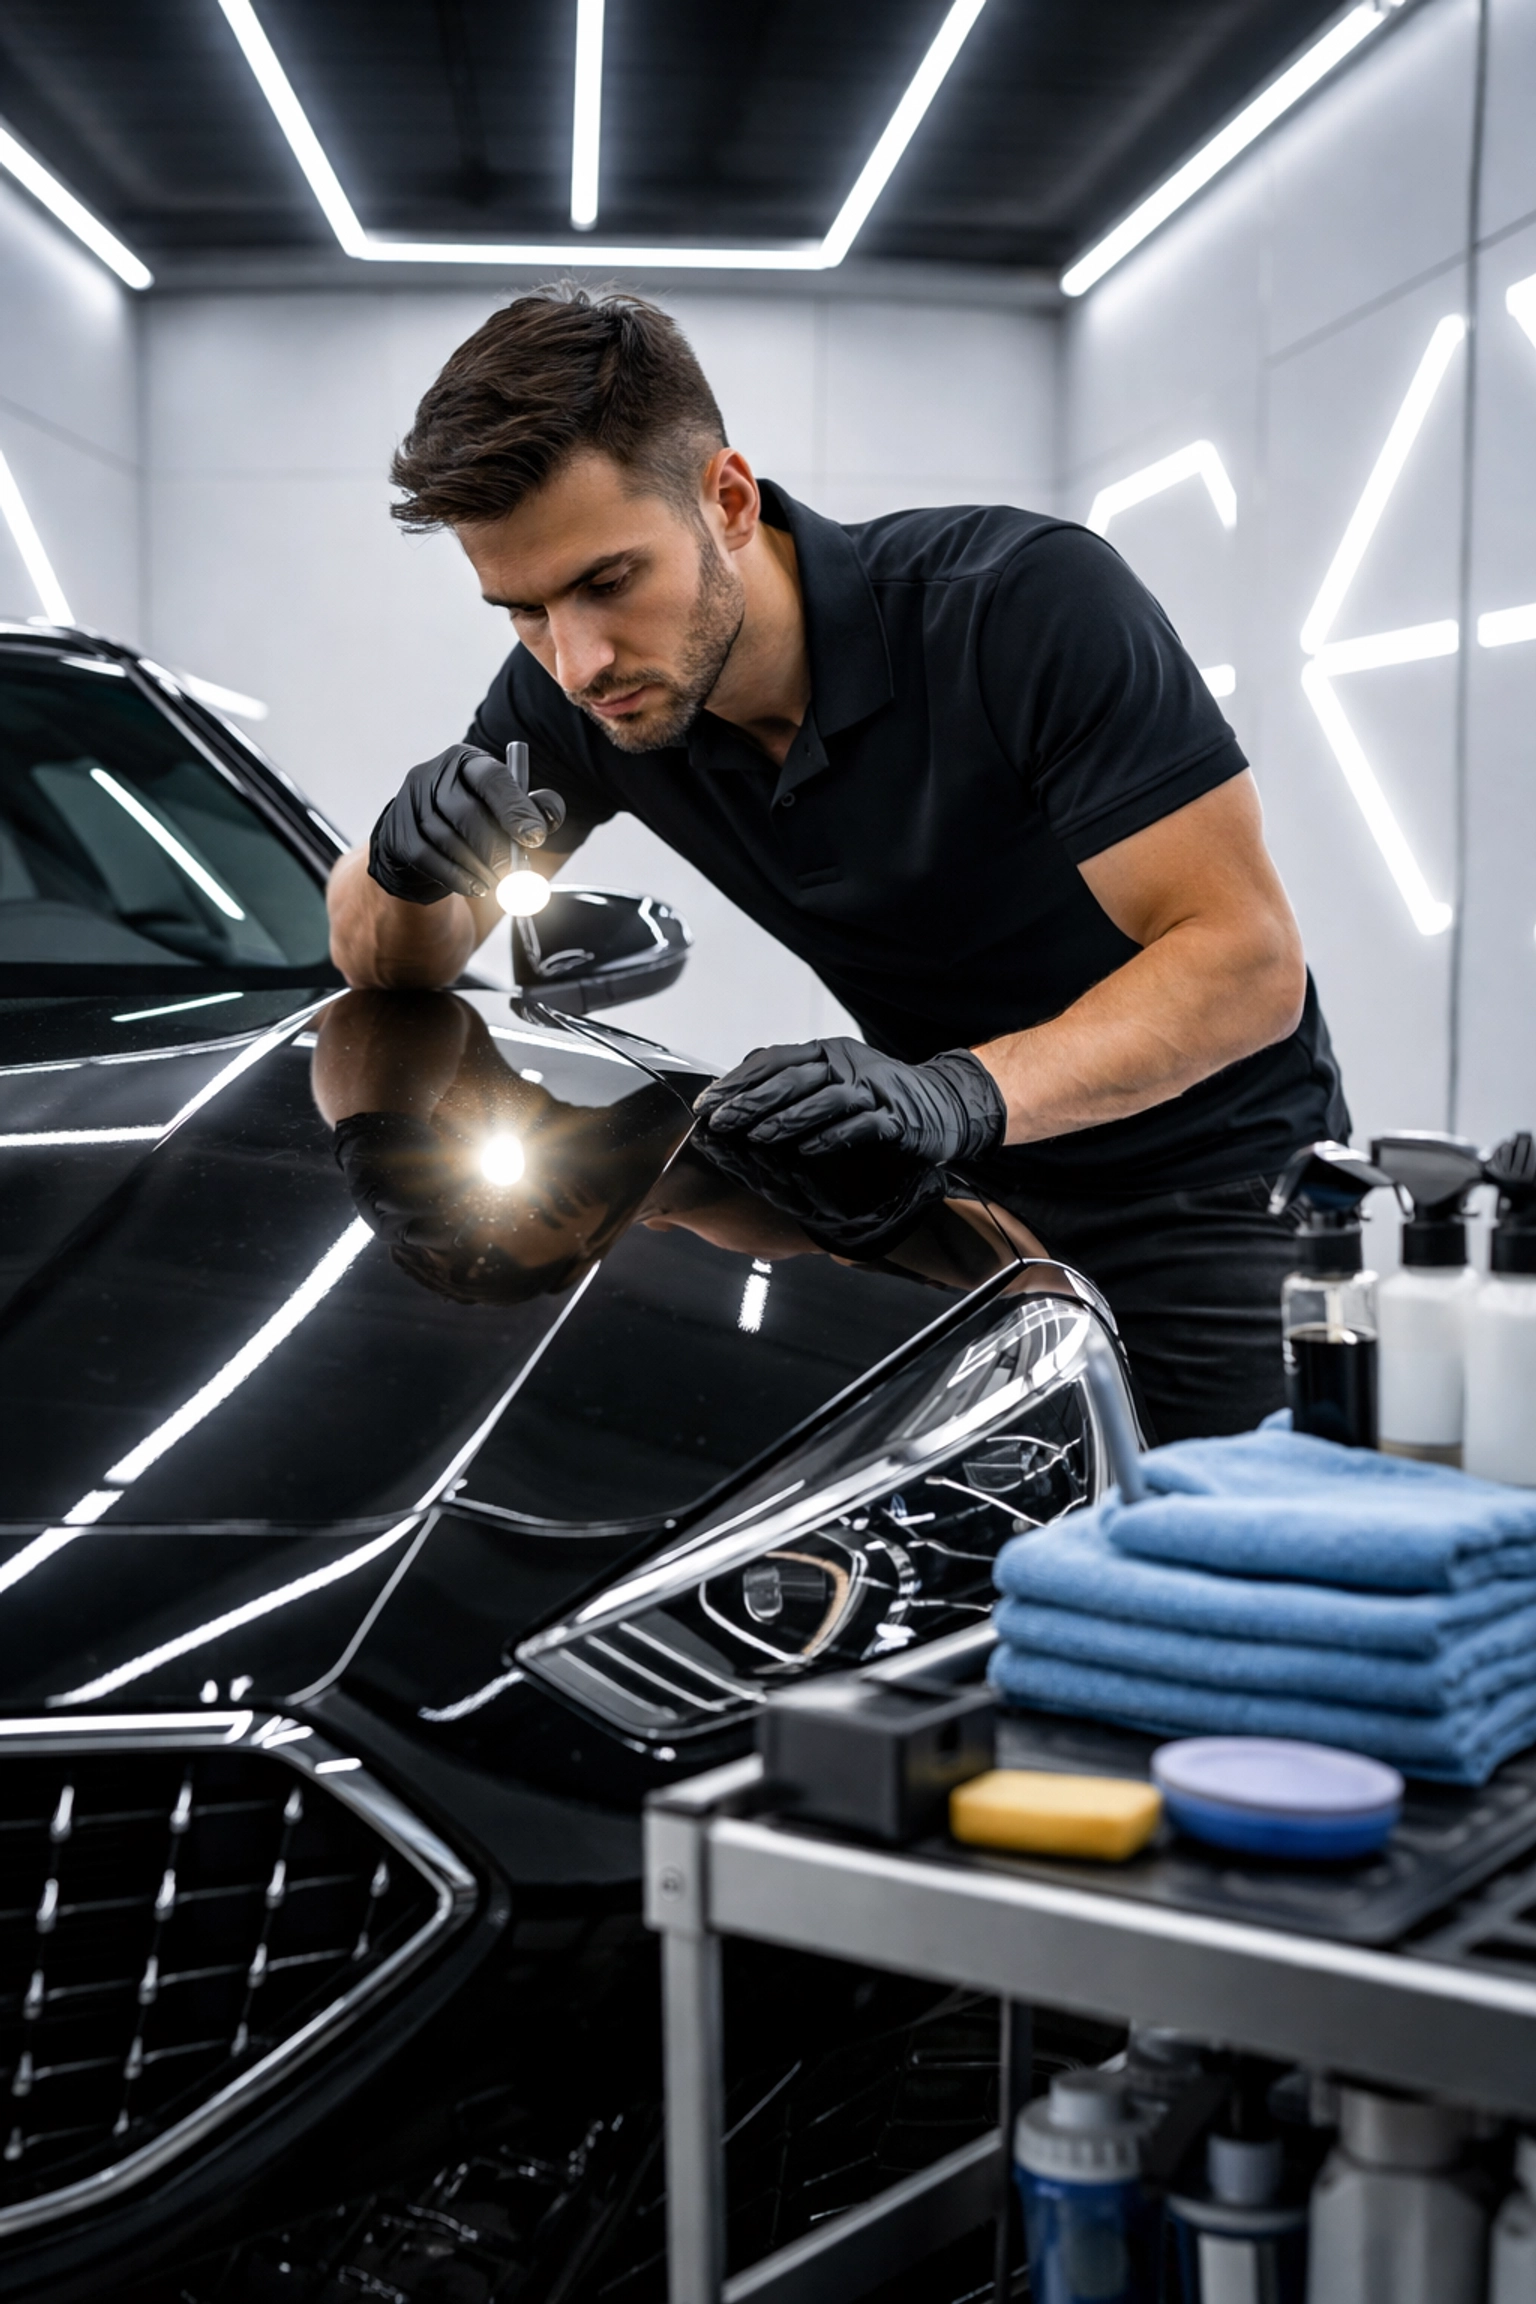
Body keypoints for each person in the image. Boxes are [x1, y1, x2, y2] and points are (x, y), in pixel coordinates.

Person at [328, 285, 1348, 1440]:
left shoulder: (1021, 606)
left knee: (1213, 1576)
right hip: (949, 1185)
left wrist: (962, 1090)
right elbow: (381, 960)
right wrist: (399, 869)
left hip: (1203, 1186)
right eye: (521, 611)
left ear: (726, 498)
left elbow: (1244, 961)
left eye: (609, 582)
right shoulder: (586, 699)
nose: (577, 659)